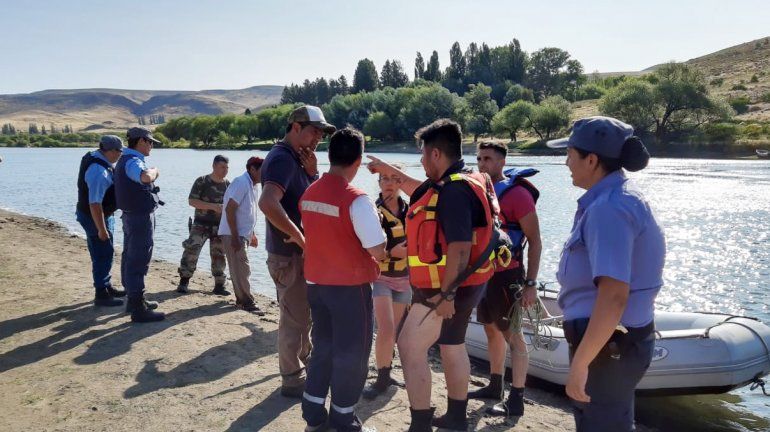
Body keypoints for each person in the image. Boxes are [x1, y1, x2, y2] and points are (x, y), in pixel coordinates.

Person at [367, 119, 498, 432]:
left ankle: (420, 423)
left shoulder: (454, 192)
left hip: (448, 287)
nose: (422, 162)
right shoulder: (465, 178)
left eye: (424, 156)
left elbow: (460, 247)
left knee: (410, 345)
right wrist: (390, 169)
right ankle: (455, 418)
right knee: (453, 344)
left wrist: (446, 295)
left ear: (437, 154)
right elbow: (420, 191)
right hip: (471, 281)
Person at [547, 116, 665, 432]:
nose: (567, 163)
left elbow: (613, 296)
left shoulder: (609, 208)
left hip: (608, 347)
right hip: (611, 344)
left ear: (592, 159)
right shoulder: (616, 197)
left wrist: (582, 362)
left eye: (569, 154)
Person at [300, 127, 386, 432]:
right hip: (350, 290)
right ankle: (343, 419)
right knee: (353, 354)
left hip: (316, 286)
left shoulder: (310, 193)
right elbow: (377, 249)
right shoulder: (357, 200)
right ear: (359, 160)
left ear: (329, 155)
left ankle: (313, 415)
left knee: (323, 346)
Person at [258, 105, 335, 398]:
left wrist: (314, 175)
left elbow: (307, 201)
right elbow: (267, 203)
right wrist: (300, 237)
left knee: (303, 315)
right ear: (295, 127)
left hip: (296, 254)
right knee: (295, 318)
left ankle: (305, 366)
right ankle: (291, 379)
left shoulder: (296, 159)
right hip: (287, 254)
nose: (319, 137)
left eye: (322, 133)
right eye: (314, 130)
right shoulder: (281, 159)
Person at [470, 141, 542, 417]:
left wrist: (531, 284)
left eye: (487, 158)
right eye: (478, 158)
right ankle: (495, 385)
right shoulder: (480, 191)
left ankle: (517, 399)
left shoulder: (517, 195)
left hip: (508, 274)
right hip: (484, 274)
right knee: (490, 328)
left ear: (501, 161)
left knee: (514, 336)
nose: (482, 164)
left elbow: (535, 241)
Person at [361, 163, 411, 401]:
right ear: (378, 183)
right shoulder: (373, 210)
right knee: (387, 329)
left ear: (402, 182)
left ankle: (386, 371)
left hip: (405, 279)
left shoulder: (410, 210)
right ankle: (381, 379)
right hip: (381, 277)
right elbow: (366, 248)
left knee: (395, 330)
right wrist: (393, 252)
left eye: (395, 178)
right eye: (385, 179)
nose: (390, 183)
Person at [114, 126, 164, 323]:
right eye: (150, 142)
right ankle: (137, 307)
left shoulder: (125, 159)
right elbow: (145, 178)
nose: (152, 146)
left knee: (130, 256)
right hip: (139, 217)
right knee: (139, 258)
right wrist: (155, 171)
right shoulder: (134, 161)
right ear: (142, 141)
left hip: (131, 215)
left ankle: (134, 299)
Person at [75, 135, 126, 307]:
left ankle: (105, 285)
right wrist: (102, 229)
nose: (120, 154)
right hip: (94, 216)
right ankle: (101, 294)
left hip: (97, 214)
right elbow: (95, 203)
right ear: (110, 151)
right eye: (119, 151)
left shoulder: (96, 157)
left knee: (104, 252)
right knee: (102, 252)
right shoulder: (99, 171)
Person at [177, 155, 231, 295]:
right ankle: (184, 281)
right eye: (222, 167)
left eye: (226, 167)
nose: (225, 170)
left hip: (220, 226)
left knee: (219, 255)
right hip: (201, 224)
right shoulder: (202, 181)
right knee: (191, 251)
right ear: (214, 166)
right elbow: (192, 201)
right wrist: (213, 206)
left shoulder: (228, 185)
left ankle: (219, 285)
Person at [218, 156, 265, 315]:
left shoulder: (253, 185)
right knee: (242, 268)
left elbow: (248, 212)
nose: (265, 173)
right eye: (262, 170)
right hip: (233, 234)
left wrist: (251, 234)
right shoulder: (241, 182)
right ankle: (247, 302)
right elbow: (230, 209)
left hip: (240, 234)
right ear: (252, 169)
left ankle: (242, 300)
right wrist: (236, 236)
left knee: (240, 268)